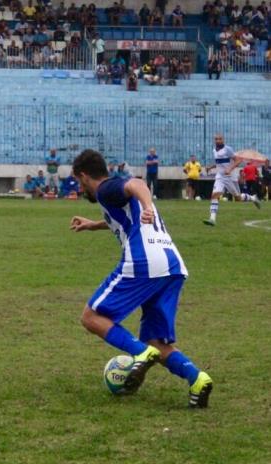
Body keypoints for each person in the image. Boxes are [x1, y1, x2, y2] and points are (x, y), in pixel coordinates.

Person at [69, 149, 213, 408]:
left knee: (91, 317)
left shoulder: (105, 188)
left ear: (83, 176)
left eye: (80, 183)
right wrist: (93, 224)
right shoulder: (113, 197)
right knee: (156, 342)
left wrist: (148, 206)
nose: (82, 189)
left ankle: (140, 354)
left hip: (144, 262)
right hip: (172, 265)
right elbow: (124, 218)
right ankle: (198, 379)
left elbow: (136, 184)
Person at [203, 134, 261, 226]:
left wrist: (230, 168)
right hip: (220, 177)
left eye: (220, 139)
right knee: (214, 195)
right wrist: (211, 167)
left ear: (223, 140)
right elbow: (219, 163)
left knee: (238, 198)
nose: (218, 140)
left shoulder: (228, 149)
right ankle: (212, 219)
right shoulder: (214, 150)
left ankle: (253, 198)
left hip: (230, 177)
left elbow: (238, 160)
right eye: (216, 139)